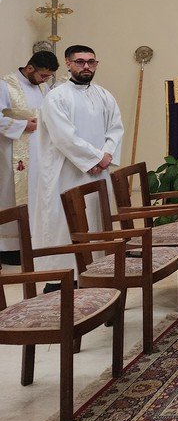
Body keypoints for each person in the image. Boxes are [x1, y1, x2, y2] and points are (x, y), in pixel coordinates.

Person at [35, 45, 123, 285]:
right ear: (68, 63)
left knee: (97, 220)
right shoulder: (56, 97)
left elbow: (115, 129)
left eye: (91, 62)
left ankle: (95, 271)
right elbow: (64, 137)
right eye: (80, 62)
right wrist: (95, 158)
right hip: (66, 173)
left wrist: (104, 157)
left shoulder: (104, 95)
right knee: (64, 223)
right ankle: (61, 279)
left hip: (98, 173)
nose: (86, 66)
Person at [0, 50, 58, 264]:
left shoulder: (42, 86)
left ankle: (32, 242)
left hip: (39, 152)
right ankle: (8, 247)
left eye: (49, 77)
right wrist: (22, 124)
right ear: (30, 68)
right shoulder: (5, 85)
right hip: (13, 153)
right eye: (43, 75)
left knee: (36, 194)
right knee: (11, 195)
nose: (45, 80)